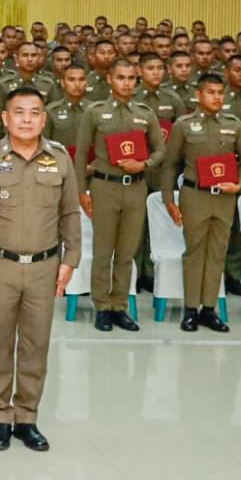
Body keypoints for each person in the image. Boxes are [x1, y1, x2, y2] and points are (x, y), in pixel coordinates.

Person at [0, 87, 80, 452]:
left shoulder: (60, 159)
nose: (26, 119)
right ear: (5, 118)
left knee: (36, 344)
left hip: (45, 266)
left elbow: (69, 212)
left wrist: (71, 258)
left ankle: (27, 417)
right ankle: (1, 415)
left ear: (44, 119)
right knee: (0, 343)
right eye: (19, 112)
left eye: (34, 112)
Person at [159, 74, 241, 332]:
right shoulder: (184, 125)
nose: (216, 97)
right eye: (211, 92)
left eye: (220, 93)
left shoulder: (233, 125)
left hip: (224, 198)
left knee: (217, 253)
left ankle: (209, 309)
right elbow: (171, 163)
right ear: (198, 95)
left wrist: (240, 184)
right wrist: (168, 198)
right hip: (195, 195)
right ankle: (191, 310)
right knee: (194, 253)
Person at [74, 60, 164, 332]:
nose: (126, 83)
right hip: (105, 187)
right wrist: (81, 190)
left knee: (127, 252)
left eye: (131, 78)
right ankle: (102, 306)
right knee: (103, 251)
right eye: (121, 77)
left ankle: (120, 306)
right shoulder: (95, 112)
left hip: (135, 188)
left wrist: (143, 164)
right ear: (109, 79)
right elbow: (81, 153)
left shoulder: (145, 114)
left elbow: (161, 150)